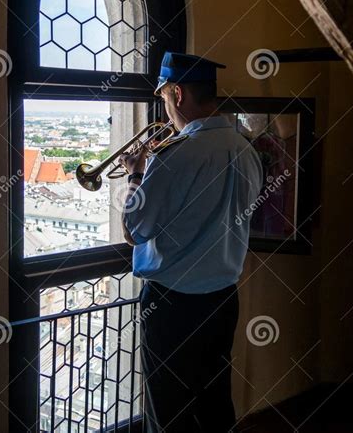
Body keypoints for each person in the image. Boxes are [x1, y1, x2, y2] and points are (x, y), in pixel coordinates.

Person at [119, 51, 263, 432]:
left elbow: (134, 230)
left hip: (172, 306)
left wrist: (135, 175)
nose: (166, 110)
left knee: (168, 409)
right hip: (222, 298)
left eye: (165, 98)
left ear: (178, 94)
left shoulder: (173, 156)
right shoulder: (246, 150)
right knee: (215, 401)